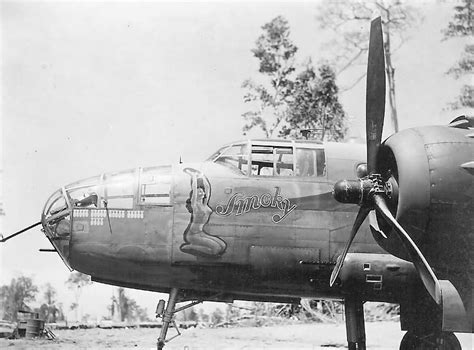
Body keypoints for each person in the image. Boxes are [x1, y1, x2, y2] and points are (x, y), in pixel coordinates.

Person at [180, 168, 226, 257]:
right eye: (200, 191)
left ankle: (195, 246)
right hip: (193, 234)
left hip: (200, 233)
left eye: (202, 191)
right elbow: (194, 188)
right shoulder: (195, 205)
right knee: (216, 249)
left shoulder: (205, 204)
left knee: (223, 246)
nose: (203, 192)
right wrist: (193, 176)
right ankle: (191, 246)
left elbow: (208, 187)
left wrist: (202, 175)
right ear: (197, 194)